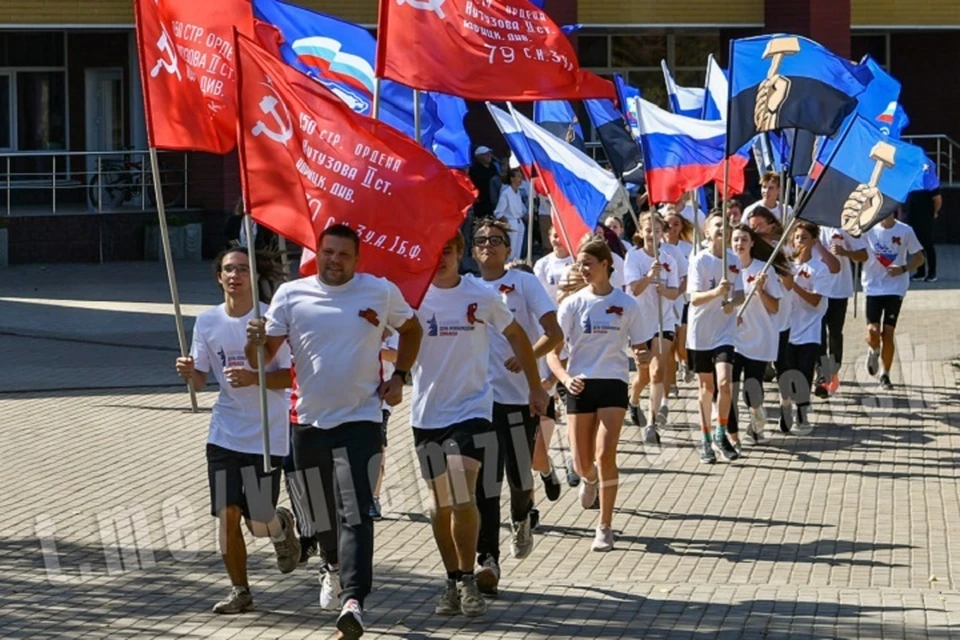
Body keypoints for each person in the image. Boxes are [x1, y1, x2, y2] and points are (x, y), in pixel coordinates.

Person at [245, 224, 423, 640]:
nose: (335, 261)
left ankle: (354, 601)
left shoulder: (378, 291)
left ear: (357, 260)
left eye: (344, 255)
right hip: (308, 421)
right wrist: (254, 339)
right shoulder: (291, 295)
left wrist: (399, 376)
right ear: (317, 253)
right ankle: (332, 564)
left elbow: (412, 329)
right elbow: (266, 356)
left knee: (356, 510)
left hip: (361, 418)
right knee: (321, 513)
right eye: (328, 252)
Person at [411, 233, 548, 616]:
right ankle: (453, 578)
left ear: (459, 254)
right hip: (426, 413)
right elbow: (390, 339)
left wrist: (535, 386)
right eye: (434, 251)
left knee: (461, 493)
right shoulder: (412, 297)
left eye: (447, 251)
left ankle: (469, 576)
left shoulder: (479, 295)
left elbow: (517, 334)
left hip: (472, 409)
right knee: (439, 507)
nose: (440, 258)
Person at [175, 246, 301, 614]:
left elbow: (290, 377)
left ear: (253, 276)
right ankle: (240, 590)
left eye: (242, 269)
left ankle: (280, 526)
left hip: (267, 432)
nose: (235, 275)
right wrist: (189, 373)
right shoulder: (207, 321)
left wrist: (252, 376)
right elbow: (200, 380)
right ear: (219, 277)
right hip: (225, 432)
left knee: (257, 522)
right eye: (228, 269)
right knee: (226, 513)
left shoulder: (270, 320)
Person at [471, 219, 562, 594]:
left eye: (496, 240)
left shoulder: (523, 283)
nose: (489, 245)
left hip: (520, 396)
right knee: (484, 482)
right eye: (481, 240)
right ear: (472, 250)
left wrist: (526, 360)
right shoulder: (467, 288)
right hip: (479, 400)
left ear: (508, 249)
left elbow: (554, 333)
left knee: (519, 477)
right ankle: (486, 557)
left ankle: (522, 516)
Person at [547, 237, 652, 552]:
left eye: (588, 263)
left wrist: (641, 355)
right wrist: (565, 379)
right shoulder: (572, 303)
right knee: (581, 464)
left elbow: (641, 345)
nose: (583, 268)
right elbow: (553, 354)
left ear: (606, 265)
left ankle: (605, 526)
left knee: (605, 453)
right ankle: (589, 480)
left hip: (613, 382)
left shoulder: (628, 303)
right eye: (580, 263)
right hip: (579, 384)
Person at [687, 213, 744, 463]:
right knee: (706, 387)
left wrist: (732, 302)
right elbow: (694, 298)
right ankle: (705, 439)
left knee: (724, 384)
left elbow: (740, 293)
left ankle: (722, 434)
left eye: (726, 225)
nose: (723, 228)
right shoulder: (700, 260)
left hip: (725, 331)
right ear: (707, 232)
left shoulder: (733, 260)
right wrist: (716, 292)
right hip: (701, 332)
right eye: (717, 225)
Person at [848, 212, 925, 390]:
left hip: (895, 288)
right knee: (873, 332)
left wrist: (903, 268)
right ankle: (874, 350)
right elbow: (860, 254)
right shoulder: (868, 230)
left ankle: (885, 374)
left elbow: (920, 259)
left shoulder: (905, 231)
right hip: (873, 287)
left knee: (888, 333)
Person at [624, 212, 681, 444]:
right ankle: (634, 399)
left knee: (658, 369)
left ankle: (652, 423)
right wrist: (649, 277)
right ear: (641, 232)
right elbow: (634, 290)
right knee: (644, 375)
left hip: (663, 319)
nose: (652, 235)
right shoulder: (633, 257)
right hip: (640, 322)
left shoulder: (670, 259)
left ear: (662, 233)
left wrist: (664, 291)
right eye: (648, 230)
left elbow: (675, 291)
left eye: (657, 231)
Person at [730, 225, 789, 444]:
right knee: (730, 387)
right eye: (735, 240)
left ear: (752, 243)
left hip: (758, 337)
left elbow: (774, 307)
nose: (739, 244)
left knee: (751, 388)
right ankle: (731, 435)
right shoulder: (725, 269)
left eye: (744, 239)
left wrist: (761, 290)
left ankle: (757, 417)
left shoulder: (764, 270)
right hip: (732, 338)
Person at [781, 220, 831, 434]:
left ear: (812, 242)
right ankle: (789, 405)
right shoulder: (786, 265)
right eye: (797, 237)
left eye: (804, 238)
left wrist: (795, 287)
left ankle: (802, 411)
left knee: (804, 370)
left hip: (810, 327)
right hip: (788, 326)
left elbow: (815, 300)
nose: (799, 241)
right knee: (788, 371)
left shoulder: (820, 268)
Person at [817, 226, 866, 397]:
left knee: (835, 332)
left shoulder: (846, 227)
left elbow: (863, 255)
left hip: (839, 289)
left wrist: (845, 252)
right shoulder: (812, 225)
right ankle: (822, 376)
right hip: (817, 289)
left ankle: (834, 368)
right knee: (819, 333)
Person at [662, 211, 695, 386]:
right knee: (669, 343)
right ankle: (671, 384)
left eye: (676, 224)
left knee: (681, 346)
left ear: (682, 226)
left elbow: (688, 275)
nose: (672, 228)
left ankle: (685, 362)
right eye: (668, 224)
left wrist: (677, 292)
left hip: (683, 300)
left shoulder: (688, 249)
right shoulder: (657, 249)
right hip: (664, 302)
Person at [370, 330, 399, 521]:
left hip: (381, 397)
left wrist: (369, 347)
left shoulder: (392, 322)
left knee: (376, 448)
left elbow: (395, 354)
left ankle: (374, 497)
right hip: (354, 396)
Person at [906, 185, 942, 282]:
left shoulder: (930, 181)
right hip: (912, 217)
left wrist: (934, 212)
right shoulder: (912, 180)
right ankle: (920, 272)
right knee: (916, 244)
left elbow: (938, 200)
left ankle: (932, 273)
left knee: (928, 244)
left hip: (926, 217)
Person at [494, 168, 528, 262]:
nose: (520, 179)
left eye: (521, 177)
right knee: (511, 249)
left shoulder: (518, 193)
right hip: (511, 222)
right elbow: (498, 212)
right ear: (512, 178)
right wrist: (507, 224)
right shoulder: (506, 193)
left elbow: (521, 209)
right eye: (518, 177)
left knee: (518, 250)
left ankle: (515, 266)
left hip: (519, 223)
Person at [468, 146, 500, 219]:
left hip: (493, 201)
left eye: (489, 153)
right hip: (481, 203)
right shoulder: (474, 170)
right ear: (479, 157)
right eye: (485, 154)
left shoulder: (493, 167)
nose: (489, 155)